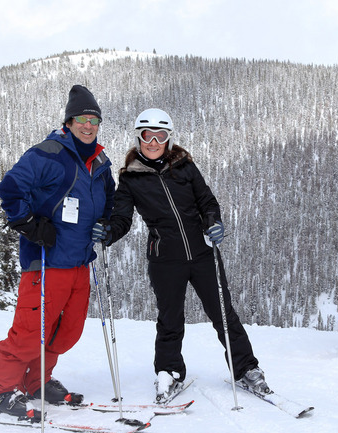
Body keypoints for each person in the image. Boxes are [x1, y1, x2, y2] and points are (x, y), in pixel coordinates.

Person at [97, 108, 269, 404]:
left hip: (203, 253)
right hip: (165, 260)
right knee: (170, 319)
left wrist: (213, 222)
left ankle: (246, 369)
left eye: (160, 135)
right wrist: (108, 233)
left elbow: (207, 201)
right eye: (147, 135)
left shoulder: (185, 166)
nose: (153, 141)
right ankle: (169, 371)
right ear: (138, 138)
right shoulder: (130, 179)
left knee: (223, 315)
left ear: (169, 139)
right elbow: (122, 219)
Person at [0, 85, 115, 420]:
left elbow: (109, 204)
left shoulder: (99, 161)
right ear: (69, 121)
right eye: (83, 119)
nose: (89, 126)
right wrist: (28, 223)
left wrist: (106, 225)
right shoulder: (49, 153)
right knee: (30, 333)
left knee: (64, 333)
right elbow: (10, 189)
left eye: (94, 120)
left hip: (80, 263)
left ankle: (35, 382)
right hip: (47, 261)